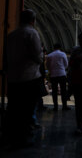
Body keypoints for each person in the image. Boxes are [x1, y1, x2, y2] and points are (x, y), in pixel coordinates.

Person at [5, 9, 43, 145]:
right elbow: (38, 56)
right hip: (29, 78)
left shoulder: (11, 35)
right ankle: (24, 136)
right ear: (33, 21)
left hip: (13, 78)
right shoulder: (32, 33)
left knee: (14, 108)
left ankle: (12, 135)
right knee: (27, 109)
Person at [46, 43, 70, 111]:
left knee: (54, 91)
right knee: (63, 91)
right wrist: (62, 68)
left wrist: (51, 70)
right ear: (60, 47)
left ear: (53, 48)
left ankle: (55, 106)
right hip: (62, 74)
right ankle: (64, 106)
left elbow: (47, 65)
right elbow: (66, 64)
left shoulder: (49, 55)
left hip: (53, 75)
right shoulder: (63, 54)